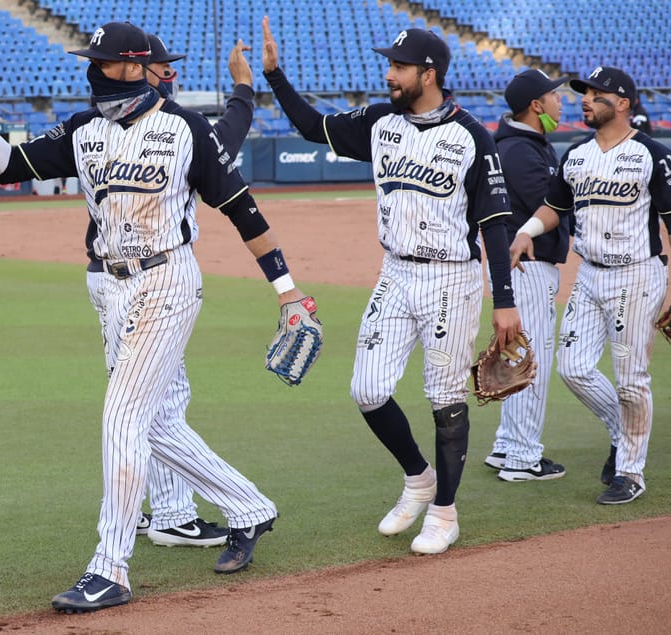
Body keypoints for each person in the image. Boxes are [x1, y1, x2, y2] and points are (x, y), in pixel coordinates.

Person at [0, 21, 311, 612]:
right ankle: (250, 507)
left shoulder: (183, 128)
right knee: (151, 422)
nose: (93, 70)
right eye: (91, 61)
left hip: (166, 280)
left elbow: (243, 212)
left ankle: (110, 567)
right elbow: (5, 165)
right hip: (109, 287)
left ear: (140, 68)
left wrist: (288, 291)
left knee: (122, 413)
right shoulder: (83, 129)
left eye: (105, 62)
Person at [262, 19, 521, 555]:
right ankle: (418, 478)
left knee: (445, 397)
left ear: (429, 74)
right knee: (367, 389)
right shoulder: (381, 122)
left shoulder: (472, 135)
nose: (388, 75)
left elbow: (494, 223)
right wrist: (275, 76)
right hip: (395, 273)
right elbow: (314, 127)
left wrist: (504, 302)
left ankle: (445, 513)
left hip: (450, 275)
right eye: (390, 65)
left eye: (398, 67)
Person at [106, 34, 256, 548]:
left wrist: (242, 90)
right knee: (147, 407)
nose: (170, 75)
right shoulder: (119, 126)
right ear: (138, 72)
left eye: (171, 68)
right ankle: (184, 510)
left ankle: (170, 510)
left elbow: (224, 140)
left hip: (154, 280)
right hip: (117, 277)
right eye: (162, 68)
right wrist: (242, 89)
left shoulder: (175, 129)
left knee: (158, 402)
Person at [509, 66, 671, 505]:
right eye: (584, 93)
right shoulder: (576, 155)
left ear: (622, 104)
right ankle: (622, 431)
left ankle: (631, 474)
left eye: (597, 94)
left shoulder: (651, 155)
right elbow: (552, 207)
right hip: (590, 273)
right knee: (572, 367)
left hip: (636, 275)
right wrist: (526, 231)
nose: (585, 99)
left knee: (631, 381)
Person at [483, 69, 572, 482]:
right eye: (554, 95)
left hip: (522, 269)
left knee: (519, 356)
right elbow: (549, 209)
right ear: (536, 105)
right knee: (530, 361)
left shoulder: (522, 144)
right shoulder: (520, 150)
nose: (561, 101)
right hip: (528, 268)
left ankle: (506, 446)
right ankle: (522, 457)